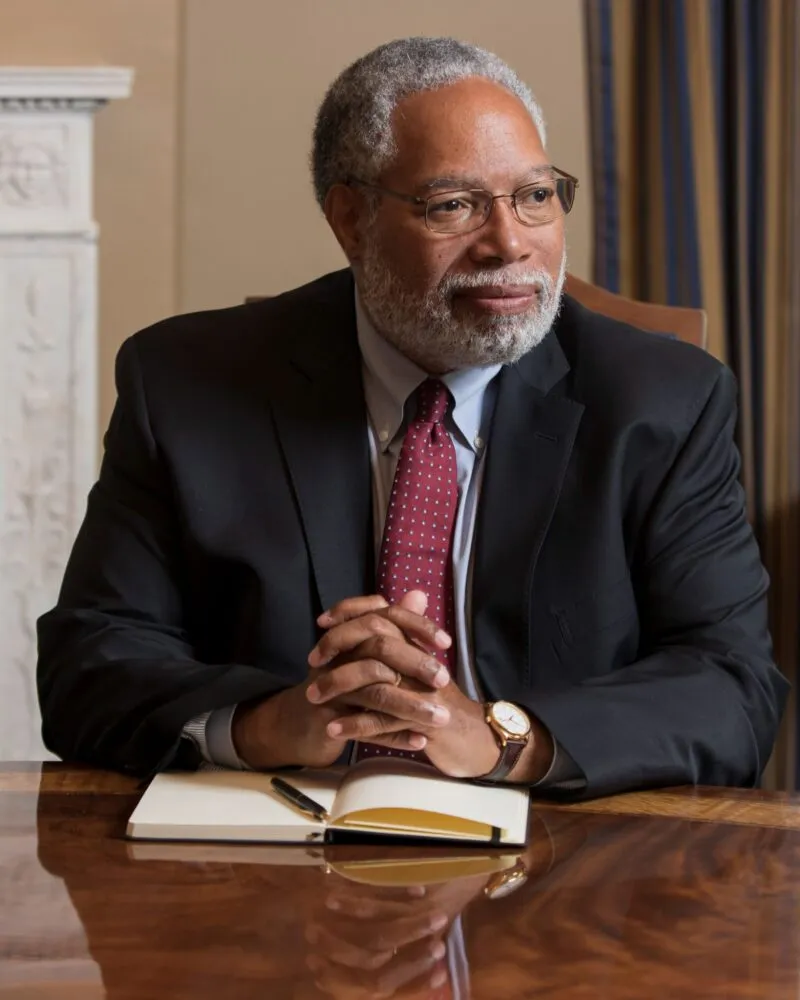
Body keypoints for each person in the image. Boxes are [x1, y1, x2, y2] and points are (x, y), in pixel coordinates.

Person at [37, 37, 787, 797]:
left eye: (534, 195)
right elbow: (89, 665)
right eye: (453, 205)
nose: (509, 244)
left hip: (561, 868)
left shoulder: (662, 402)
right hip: (271, 857)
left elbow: (732, 687)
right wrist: (272, 723)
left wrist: (499, 737)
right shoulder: (187, 385)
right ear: (350, 220)